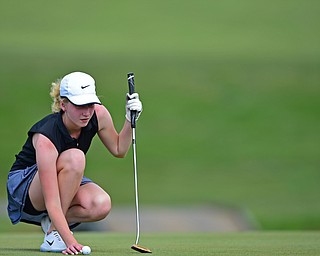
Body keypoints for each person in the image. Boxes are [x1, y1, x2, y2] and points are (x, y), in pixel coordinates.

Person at [6, 71, 143, 255]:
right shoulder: (46, 137)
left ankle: (52, 225)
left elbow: (119, 149)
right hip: (26, 188)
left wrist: (129, 119)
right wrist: (71, 242)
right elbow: (52, 200)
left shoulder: (98, 114)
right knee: (75, 157)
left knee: (100, 204)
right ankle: (55, 235)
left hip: (64, 175)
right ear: (63, 105)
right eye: (80, 106)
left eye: (90, 104)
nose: (86, 112)